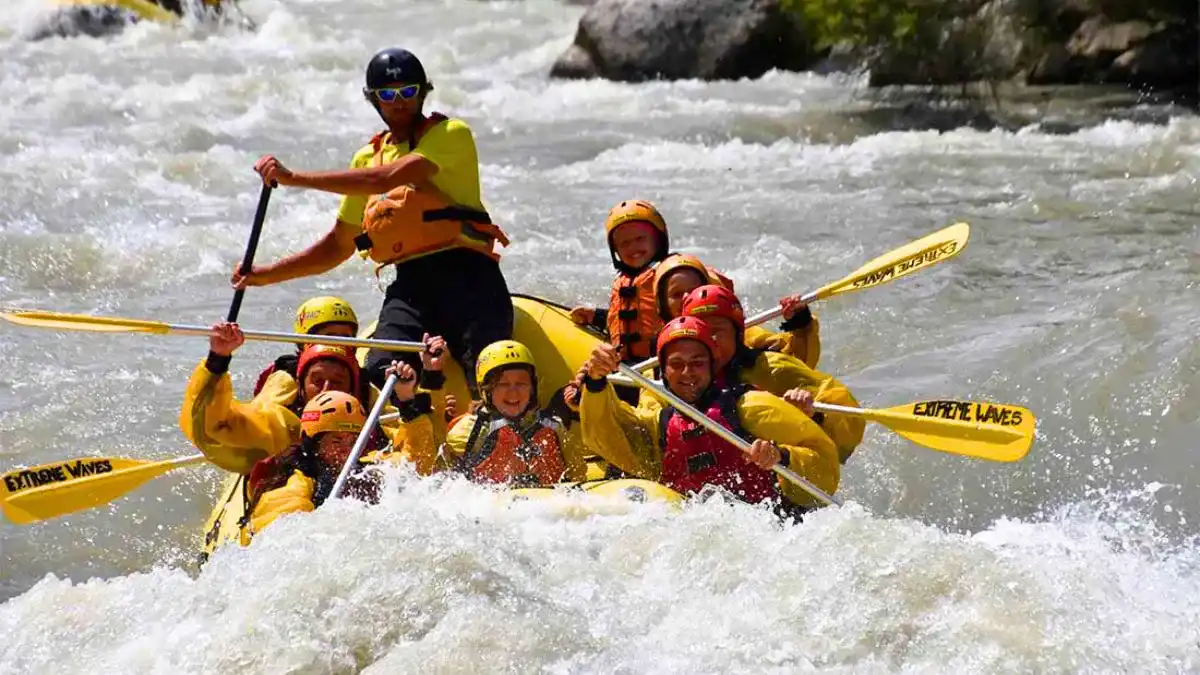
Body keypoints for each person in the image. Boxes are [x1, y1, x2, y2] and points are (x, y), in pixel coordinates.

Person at [239, 47, 512, 398]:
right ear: (374, 100)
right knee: (380, 367)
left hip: (471, 281)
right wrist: (263, 275)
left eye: (408, 92)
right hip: (411, 288)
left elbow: (384, 180)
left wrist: (293, 178)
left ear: (423, 92)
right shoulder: (367, 156)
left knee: (491, 375)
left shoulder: (451, 134)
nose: (398, 102)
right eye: (387, 95)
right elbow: (338, 245)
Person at [578, 317, 840, 516]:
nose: (687, 373)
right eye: (677, 364)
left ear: (713, 366)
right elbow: (605, 436)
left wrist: (781, 456)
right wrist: (596, 381)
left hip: (766, 524)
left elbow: (825, 462)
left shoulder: (752, 406)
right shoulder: (660, 423)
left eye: (697, 363)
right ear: (664, 372)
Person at [180, 322, 433, 474]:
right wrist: (218, 360)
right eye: (316, 381)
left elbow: (417, 463)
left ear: (352, 388)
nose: (325, 389)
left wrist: (408, 399)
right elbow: (212, 428)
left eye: (336, 382)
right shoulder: (281, 430)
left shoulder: (370, 438)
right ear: (301, 388)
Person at [681, 285, 865, 463]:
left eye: (716, 332)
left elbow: (847, 434)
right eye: (699, 332)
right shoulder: (675, 376)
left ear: (737, 334)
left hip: (770, 471)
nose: (707, 341)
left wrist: (814, 416)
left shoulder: (770, 368)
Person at [397, 340, 589, 486]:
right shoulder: (469, 431)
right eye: (503, 384)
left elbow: (578, 475)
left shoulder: (554, 428)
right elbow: (430, 468)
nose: (513, 392)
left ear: (533, 388)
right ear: (486, 390)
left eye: (521, 384)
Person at [652, 254, 821, 369]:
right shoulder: (659, 355)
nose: (687, 298)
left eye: (695, 289)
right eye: (676, 294)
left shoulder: (743, 335)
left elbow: (798, 361)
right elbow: (648, 411)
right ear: (663, 305)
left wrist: (800, 324)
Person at [569, 199, 672, 364]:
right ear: (615, 250)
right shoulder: (622, 281)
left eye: (640, 239)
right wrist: (596, 317)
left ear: (658, 239)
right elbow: (626, 321)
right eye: (624, 243)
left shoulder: (671, 275)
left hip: (660, 365)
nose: (633, 248)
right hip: (625, 367)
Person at [252, 296, 359, 396]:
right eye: (330, 337)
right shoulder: (285, 379)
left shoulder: (363, 381)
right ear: (305, 342)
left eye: (345, 338)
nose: (339, 345)